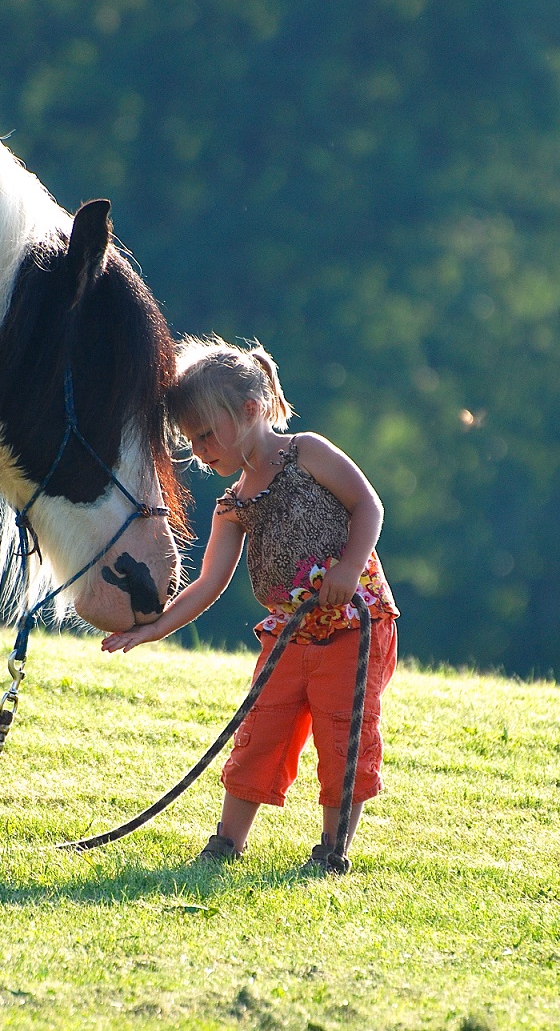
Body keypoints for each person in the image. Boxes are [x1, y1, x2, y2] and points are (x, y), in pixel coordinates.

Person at [102, 335, 398, 872]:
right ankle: (226, 843)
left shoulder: (308, 453)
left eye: (206, 435)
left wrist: (350, 567)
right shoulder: (233, 504)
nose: (199, 451)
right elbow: (206, 584)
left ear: (250, 410)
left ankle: (333, 851)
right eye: (191, 441)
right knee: (260, 732)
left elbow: (367, 505)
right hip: (290, 634)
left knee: (342, 735)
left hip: (355, 624)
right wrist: (150, 629)